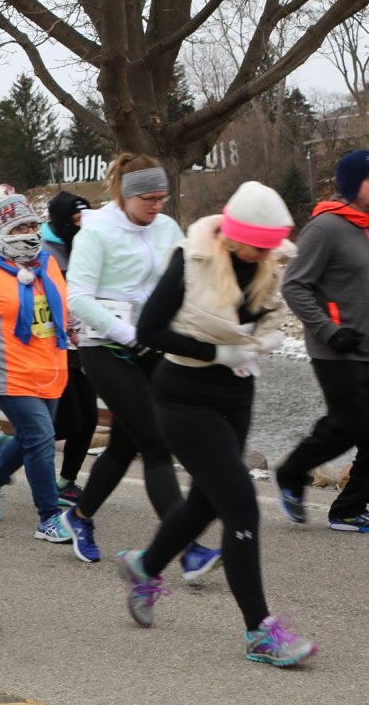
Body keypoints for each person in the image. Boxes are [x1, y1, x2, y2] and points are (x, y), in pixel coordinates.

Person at [121, 181, 317, 666]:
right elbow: (148, 332)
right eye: (260, 243)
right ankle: (260, 633)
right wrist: (215, 351)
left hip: (237, 394)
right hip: (183, 399)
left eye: (274, 244)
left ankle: (145, 567)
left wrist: (260, 344)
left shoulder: (269, 260)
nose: (268, 252)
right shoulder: (191, 261)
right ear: (234, 235)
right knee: (242, 509)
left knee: (205, 503)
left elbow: (269, 314)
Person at [61, 155, 217, 575]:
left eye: (161, 198)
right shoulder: (96, 233)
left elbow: (189, 278)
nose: (155, 206)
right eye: (147, 198)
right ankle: (187, 548)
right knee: (156, 440)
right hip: (105, 347)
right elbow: (77, 299)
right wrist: (128, 334)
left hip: (151, 345)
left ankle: (78, 517)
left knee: (125, 444)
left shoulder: (167, 228)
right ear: (125, 195)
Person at [0, 185, 71, 543]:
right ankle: (48, 517)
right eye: (20, 228)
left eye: (32, 227)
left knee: (30, 439)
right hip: (9, 373)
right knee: (41, 438)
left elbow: (63, 309)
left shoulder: (48, 262)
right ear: (4, 230)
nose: (29, 234)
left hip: (51, 368)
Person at [276, 149, 369, 533]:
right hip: (336, 348)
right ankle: (292, 473)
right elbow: (294, 286)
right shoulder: (326, 228)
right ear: (353, 185)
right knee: (352, 422)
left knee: (358, 426)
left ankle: (348, 509)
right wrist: (330, 330)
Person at [40, 191, 97, 505]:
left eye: (85, 219)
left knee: (88, 419)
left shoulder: (89, 243)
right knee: (66, 420)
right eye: (76, 221)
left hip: (87, 342)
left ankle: (67, 481)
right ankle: (9, 453)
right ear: (62, 223)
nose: (82, 226)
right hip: (55, 346)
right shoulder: (44, 252)